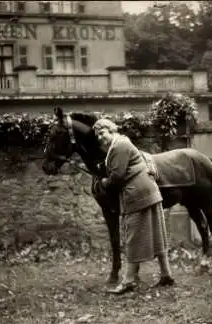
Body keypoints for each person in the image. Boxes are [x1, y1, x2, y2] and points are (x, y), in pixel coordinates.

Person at [93, 118, 175, 295]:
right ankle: (166, 274)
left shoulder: (119, 146)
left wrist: (104, 182)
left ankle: (129, 280)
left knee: (132, 235)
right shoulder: (119, 144)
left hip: (138, 194)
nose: (99, 137)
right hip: (147, 191)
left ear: (112, 130)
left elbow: (117, 177)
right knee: (157, 233)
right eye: (97, 135)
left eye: (102, 132)